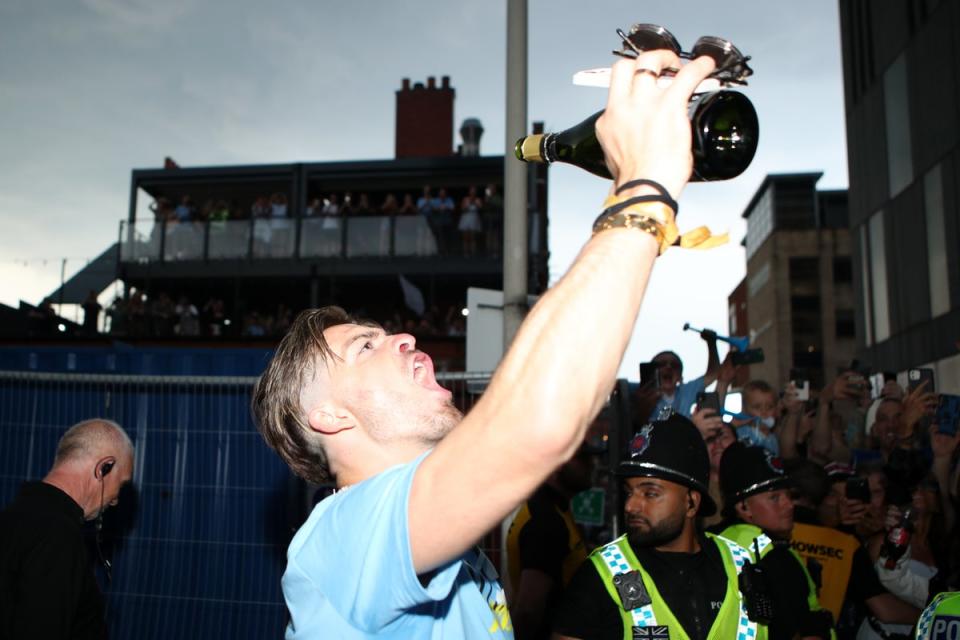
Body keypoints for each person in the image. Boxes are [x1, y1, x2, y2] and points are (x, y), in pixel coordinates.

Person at [251, 47, 720, 638]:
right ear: (327, 415)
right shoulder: (342, 536)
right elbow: (536, 425)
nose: (403, 337)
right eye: (365, 347)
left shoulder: (451, 551)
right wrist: (645, 185)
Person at [552, 414, 769, 640]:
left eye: (650, 493)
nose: (630, 505)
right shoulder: (602, 574)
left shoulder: (742, 567)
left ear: (691, 502)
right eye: (629, 492)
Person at [0, 418, 134, 639]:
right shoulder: (58, 538)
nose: (116, 500)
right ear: (104, 467)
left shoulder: (10, 519)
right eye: (120, 485)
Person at [715, 442, 834, 639]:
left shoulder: (712, 542)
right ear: (743, 508)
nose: (789, 505)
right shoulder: (775, 556)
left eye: (788, 495)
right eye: (774, 498)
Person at [506, 438, 599, 639]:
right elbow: (528, 610)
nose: (592, 464)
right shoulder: (546, 521)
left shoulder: (556, 511)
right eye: (582, 458)